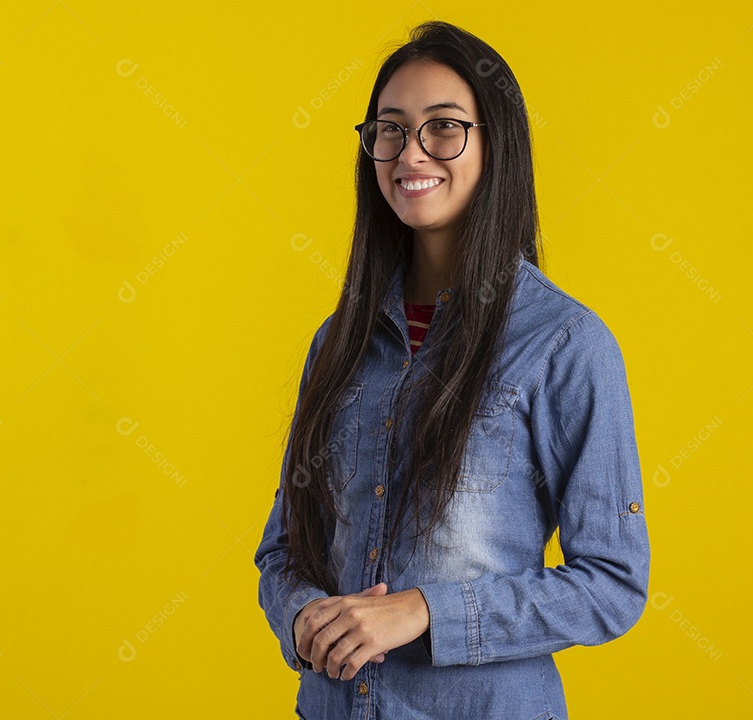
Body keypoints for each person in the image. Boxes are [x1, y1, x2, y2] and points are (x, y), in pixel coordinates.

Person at [254, 20, 650, 719]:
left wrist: (426, 611)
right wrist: (304, 616)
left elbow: (613, 584)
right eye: (390, 129)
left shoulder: (564, 343)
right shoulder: (337, 342)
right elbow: (284, 549)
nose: (411, 152)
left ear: (497, 145)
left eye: (443, 127)